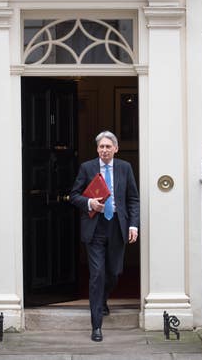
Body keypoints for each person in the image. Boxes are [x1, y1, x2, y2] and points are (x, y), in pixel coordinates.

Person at [70, 130, 140, 342]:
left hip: (117, 226)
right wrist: (90, 203)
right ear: (97, 149)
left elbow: (133, 199)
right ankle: (96, 326)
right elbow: (74, 195)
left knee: (114, 272)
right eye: (101, 146)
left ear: (116, 149)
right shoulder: (87, 168)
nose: (104, 150)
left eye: (108, 146)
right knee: (97, 274)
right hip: (95, 227)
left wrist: (134, 225)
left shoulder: (125, 168)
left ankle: (103, 298)